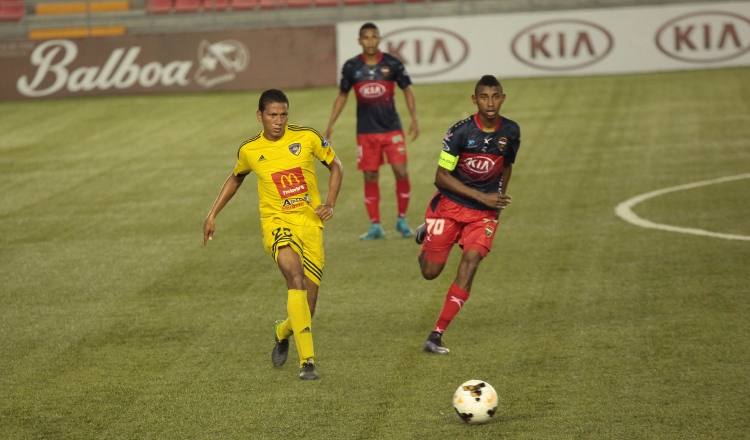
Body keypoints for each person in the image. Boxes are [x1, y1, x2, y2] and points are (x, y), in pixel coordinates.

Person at [203, 89, 343, 380]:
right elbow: (236, 177)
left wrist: (329, 202)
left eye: (283, 115)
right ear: (260, 116)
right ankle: (308, 363)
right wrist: (212, 213)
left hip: (310, 226)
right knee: (294, 277)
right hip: (276, 223)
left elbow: (336, 166)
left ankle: (282, 331)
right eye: (272, 115)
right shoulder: (250, 150)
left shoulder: (307, 137)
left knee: (308, 308)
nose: (278, 121)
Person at [414, 75, 520, 354]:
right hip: (448, 207)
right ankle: (428, 233)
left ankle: (435, 335)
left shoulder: (510, 131)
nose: (490, 103)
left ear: (503, 98)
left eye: (495, 96)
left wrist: (495, 201)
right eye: (484, 97)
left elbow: (506, 165)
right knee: (430, 272)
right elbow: (441, 176)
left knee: (470, 262)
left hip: (482, 214)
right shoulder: (459, 133)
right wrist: (481, 196)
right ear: (475, 100)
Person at [324, 21, 419, 241]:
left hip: (391, 128)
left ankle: (402, 220)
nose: (370, 41)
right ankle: (375, 225)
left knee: (401, 171)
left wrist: (414, 118)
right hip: (366, 132)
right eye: (365, 37)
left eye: (373, 37)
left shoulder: (392, 64)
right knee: (370, 174)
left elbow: (407, 90)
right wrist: (331, 123)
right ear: (359, 41)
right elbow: (342, 95)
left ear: (379, 39)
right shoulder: (351, 67)